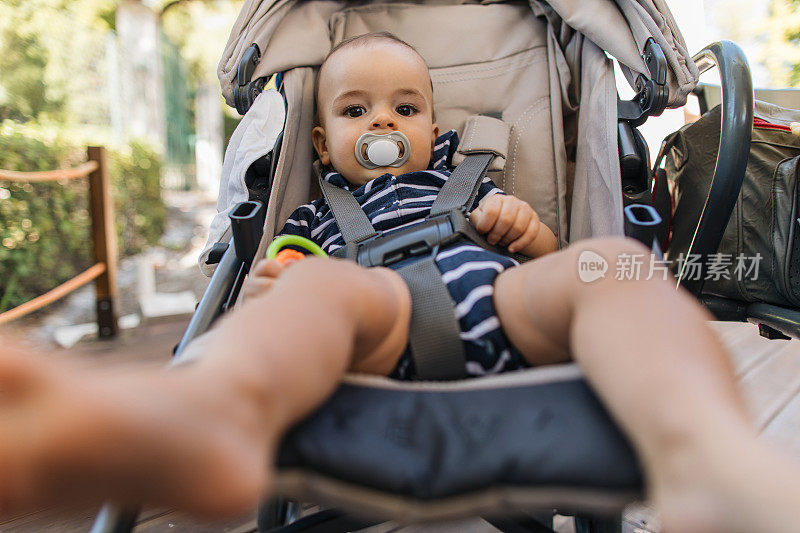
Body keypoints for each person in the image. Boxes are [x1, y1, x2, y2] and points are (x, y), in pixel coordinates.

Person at [2, 32, 800, 533]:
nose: (383, 123)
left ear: (433, 127)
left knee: (615, 265)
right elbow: (287, 272)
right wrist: (286, 278)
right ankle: (213, 407)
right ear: (321, 139)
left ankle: (702, 450)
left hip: (504, 301)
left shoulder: (471, 181)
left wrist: (530, 229)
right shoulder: (319, 210)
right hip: (375, 314)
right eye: (357, 111)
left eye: (404, 108)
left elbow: (548, 255)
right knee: (315, 294)